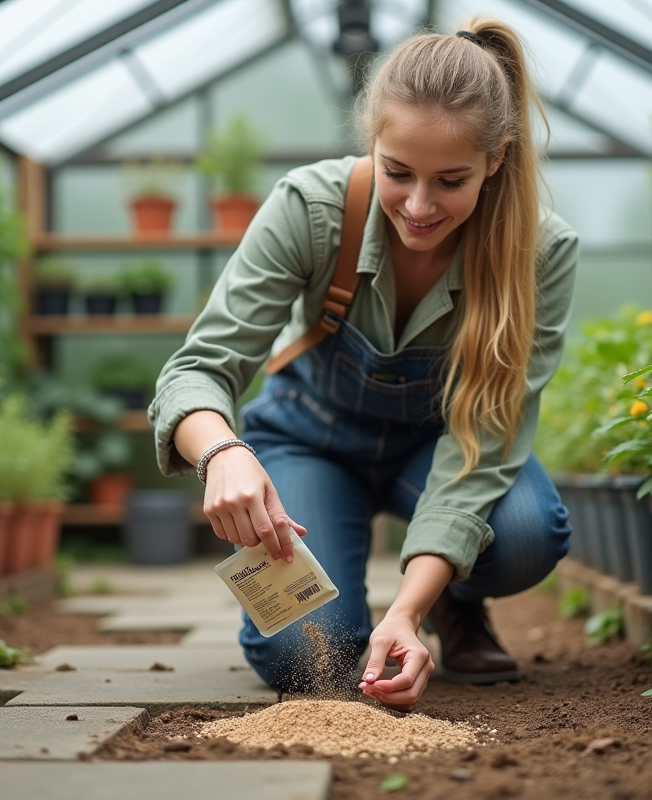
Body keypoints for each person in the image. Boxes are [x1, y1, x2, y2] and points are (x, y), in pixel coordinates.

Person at [148, 16, 576, 709]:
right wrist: (222, 451)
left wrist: (405, 611)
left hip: (441, 450)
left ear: (496, 158)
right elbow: (199, 366)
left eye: (451, 180)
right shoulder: (310, 208)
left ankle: (446, 600)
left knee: (524, 533)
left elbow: (486, 442)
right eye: (398, 172)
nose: (418, 205)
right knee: (302, 655)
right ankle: (374, 598)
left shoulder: (539, 251)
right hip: (310, 443)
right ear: (373, 139)